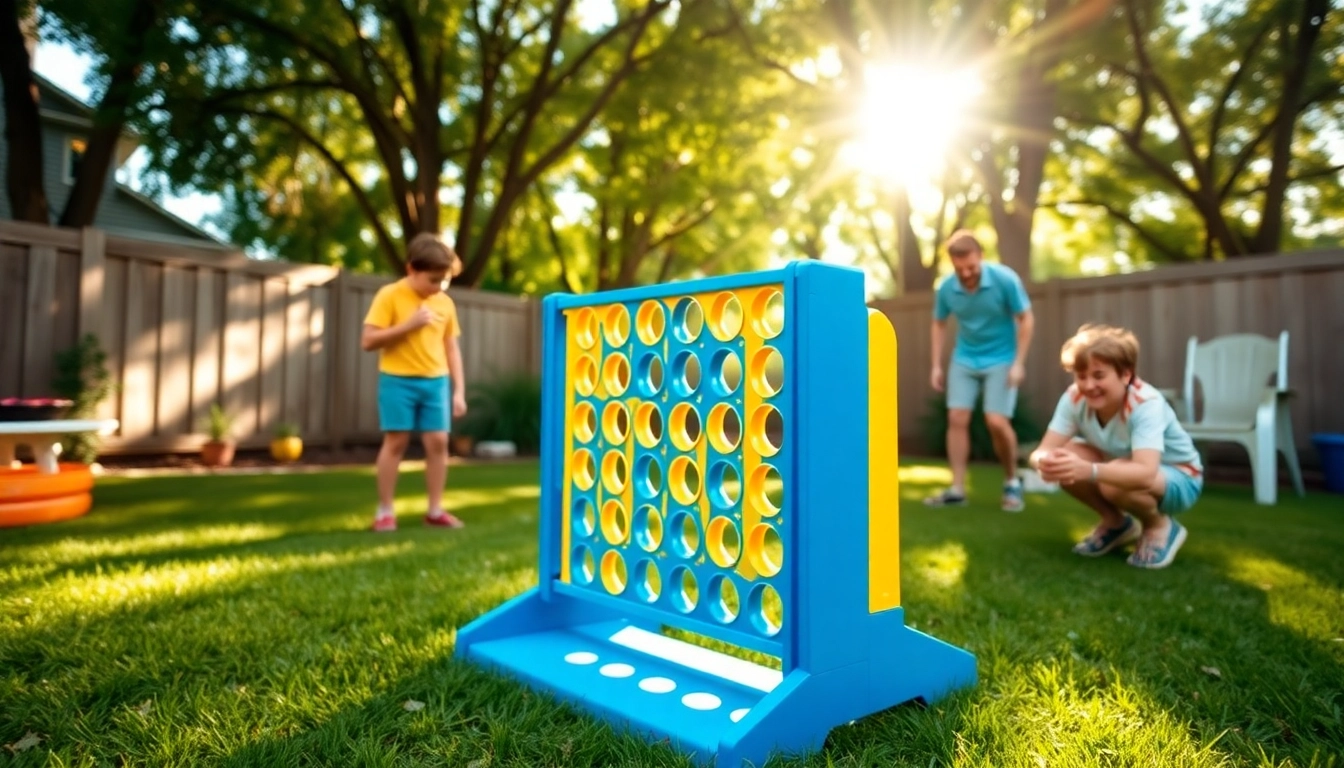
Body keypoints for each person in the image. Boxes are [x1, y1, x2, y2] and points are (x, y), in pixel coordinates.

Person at [1029, 324, 1202, 569]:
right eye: (1081, 376)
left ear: (1126, 374)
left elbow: (1144, 472)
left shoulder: (1145, 404)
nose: (1089, 385)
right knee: (1066, 455)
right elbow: (1043, 450)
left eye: (1099, 375)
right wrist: (1045, 462)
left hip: (1181, 479)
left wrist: (1089, 470)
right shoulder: (1074, 398)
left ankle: (1159, 525)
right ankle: (1115, 524)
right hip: (1121, 470)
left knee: (1112, 480)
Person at [361, 232, 468, 532]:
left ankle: (435, 510)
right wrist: (409, 326)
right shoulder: (390, 295)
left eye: (444, 280)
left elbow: (451, 348)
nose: (439, 287)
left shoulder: (445, 304)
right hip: (397, 380)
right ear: (411, 269)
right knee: (396, 442)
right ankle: (385, 511)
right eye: (433, 280)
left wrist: (458, 391)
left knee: (438, 442)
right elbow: (368, 340)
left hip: (436, 382)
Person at [925, 230, 1035, 512]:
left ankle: (1011, 481)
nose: (967, 273)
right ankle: (957, 489)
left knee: (996, 422)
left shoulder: (1004, 279)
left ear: (981, 257)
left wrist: (1019, 363)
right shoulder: (947, 288)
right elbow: (938, 323)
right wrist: (936, 364)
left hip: (1002, 358)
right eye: (960, 269)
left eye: (971, 267)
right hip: (965, 357)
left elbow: (1025, 318)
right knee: (957, 417)